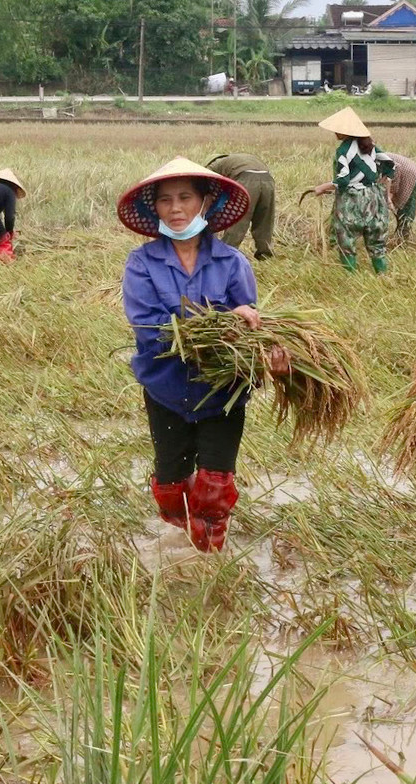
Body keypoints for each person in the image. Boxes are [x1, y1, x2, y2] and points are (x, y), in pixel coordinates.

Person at [118, 157, 290, 552]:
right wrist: (224, 320)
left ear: (206, 203)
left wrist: (272, 357)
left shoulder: (233, 262)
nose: (175, 209)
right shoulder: (141, 263)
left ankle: (208, 560)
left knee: (215, 488)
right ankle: (181, 538)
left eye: (185, 198)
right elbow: (150, 328)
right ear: (154, 208)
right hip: (166, 388)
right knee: (170, 489)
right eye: (165, 200)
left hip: (222, 392)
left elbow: (249, 331)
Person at [307, 106, 395, 274]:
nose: (335, 133)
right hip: (373, 198)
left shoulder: (343, 150)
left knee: (346, 237)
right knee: (376, 238)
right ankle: (382, 275)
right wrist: (380, 179)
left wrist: (322, 187)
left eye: (338, 129)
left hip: (352, 200)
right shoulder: (371, 147)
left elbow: (343, 180)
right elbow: (390, 164)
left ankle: (350, 276)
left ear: (346, 131)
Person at [206, 153, 276, 260]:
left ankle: (226, 254)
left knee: (238, 220)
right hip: (268, 179)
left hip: (246, 179)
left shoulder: (212, 167)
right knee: (264, 219)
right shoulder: (233, 160)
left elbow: (207, 191)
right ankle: (265, 255)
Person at [386, 151, 416, 244]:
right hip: (401, 174)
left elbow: (395, 169)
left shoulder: (377, 160)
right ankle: (399, 235)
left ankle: (403, 239)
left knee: (406, 207)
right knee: (396, 206)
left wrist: (390, 194)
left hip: (411, 175)